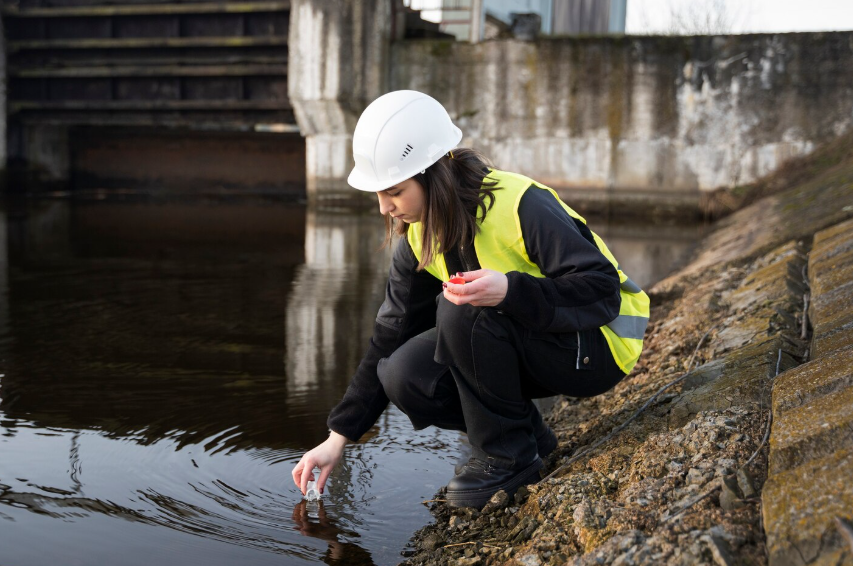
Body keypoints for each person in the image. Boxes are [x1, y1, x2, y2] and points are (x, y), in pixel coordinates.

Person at [291, 90, 649, 509]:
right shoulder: (419, 237)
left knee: (461, 310)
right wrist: (338, 438)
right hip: (541, 341)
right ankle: (527, 437)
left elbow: (601, 289)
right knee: (402, 374)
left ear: (433, 173)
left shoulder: (520, 204)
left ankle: (506, 459)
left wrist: (512, 291)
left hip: (599, 346)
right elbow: (388, 337)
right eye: (379, 193)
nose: (385, 208)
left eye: (395, 191)